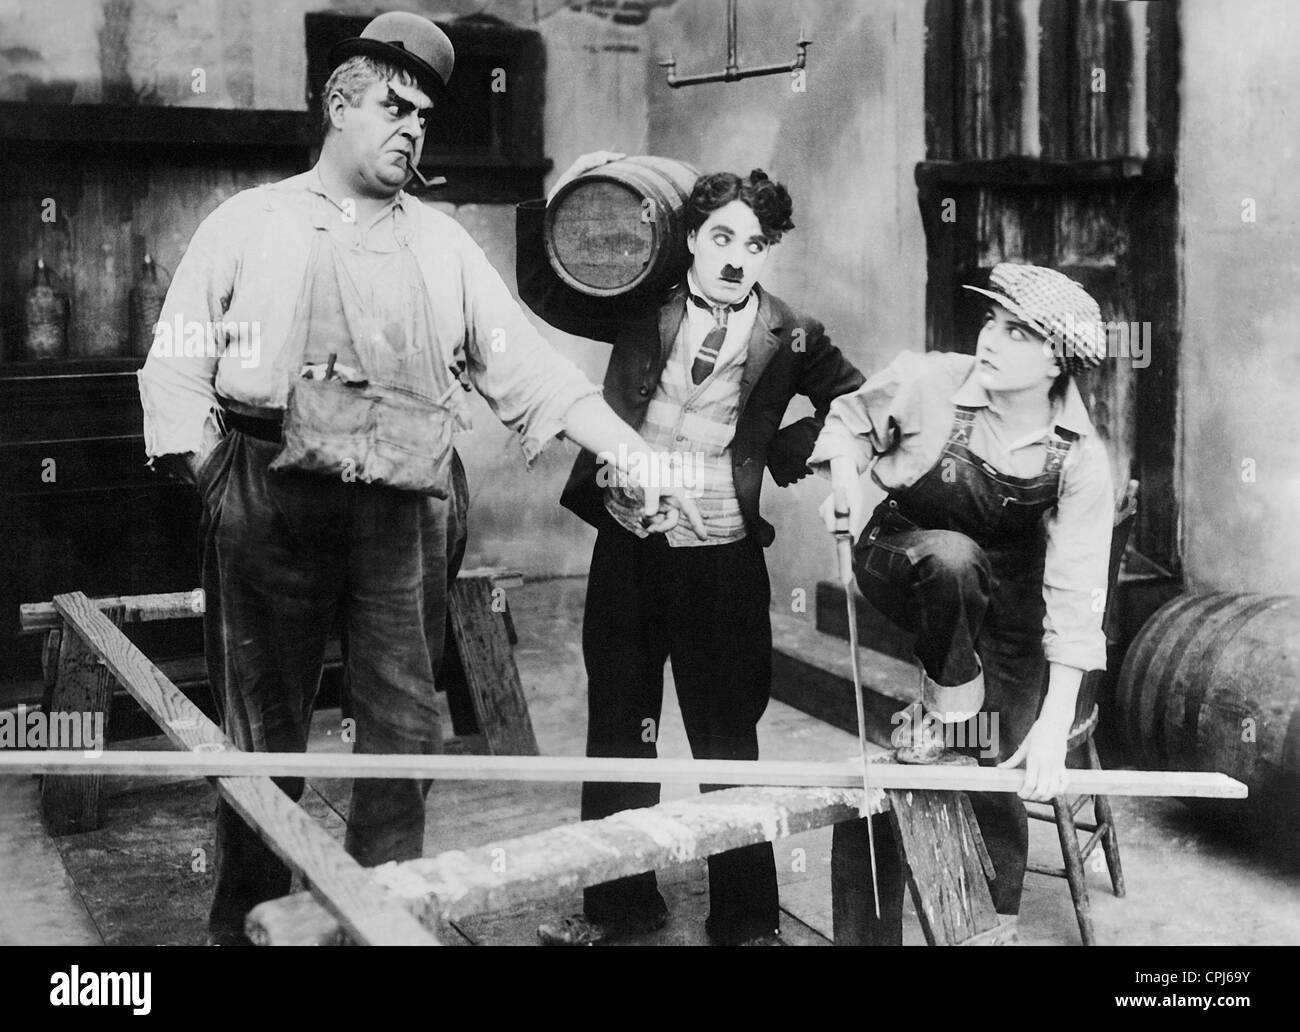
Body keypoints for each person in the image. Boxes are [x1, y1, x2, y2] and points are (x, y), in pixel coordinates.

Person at [138, 14, 699, 946]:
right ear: (338, 106)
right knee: (261, 740)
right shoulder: (248, 223)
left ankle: (382, 919)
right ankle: (242, 927)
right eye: (394, 107)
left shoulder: (441, 245)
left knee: (403, 732)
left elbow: (536, 373)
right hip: (267, 486)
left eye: (426, 119)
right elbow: (175, 364)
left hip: (403, 505)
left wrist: (634, 454)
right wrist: (211, 477)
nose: (412, 129)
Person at [516, 156, 866, 945]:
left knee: (726, 736)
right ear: (692, 239)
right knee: (617, 726)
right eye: (721, 236)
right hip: (630, 542)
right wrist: (570, 186)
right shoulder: (645, 300)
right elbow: (543, 285)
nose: (738, 255)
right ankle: (619, 905)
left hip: (721, 556)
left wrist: (781, 450)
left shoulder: (792, 332)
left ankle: (744, 921)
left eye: (755, 241)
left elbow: (860, 401)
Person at [808, 262, 1117, 944]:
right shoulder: (930, 380)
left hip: (1006, 594)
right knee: (952, 559)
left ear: (1057, 358)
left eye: (1016, 330)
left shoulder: (1080, 459)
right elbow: (850, 419)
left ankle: (988, 926)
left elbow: (1074, 598)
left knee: (997, 755)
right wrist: (842, 479)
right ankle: (949, 699)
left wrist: (1050, 720)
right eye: (990, 321)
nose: (990, 338)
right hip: (905, 553)